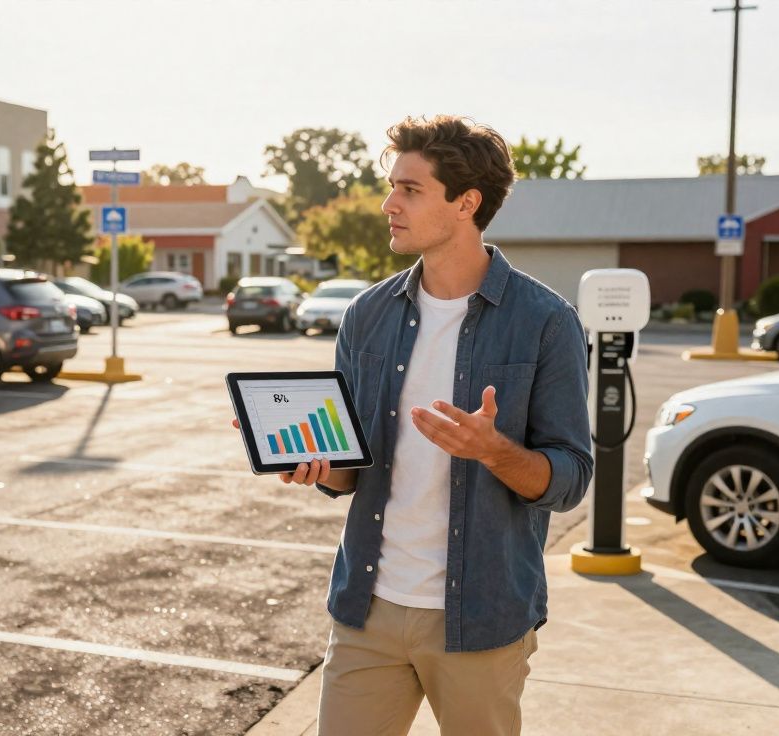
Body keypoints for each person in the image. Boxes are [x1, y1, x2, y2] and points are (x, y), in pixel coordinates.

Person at [236, 115, 592, 735]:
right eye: (392, 186)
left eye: (410, 189)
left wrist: (493, 451)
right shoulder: (367, 315)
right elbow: (353, 470)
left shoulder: (546, 322)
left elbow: (570, 479)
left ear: (467, 202)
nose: (388, 203)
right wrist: (317, 464)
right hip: (367, 610)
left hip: (482, 618)